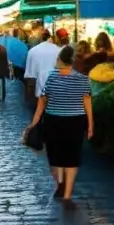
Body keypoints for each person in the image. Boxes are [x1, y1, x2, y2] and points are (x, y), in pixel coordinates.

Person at [28, 45, 93, 204]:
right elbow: (87, 104)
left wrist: (33, 124)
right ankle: (67, 194)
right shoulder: (83, 79)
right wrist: (90, 125)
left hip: (54, 121)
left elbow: (42, 103)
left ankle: (60, 183)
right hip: (76, 122)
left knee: (55, 156)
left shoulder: (51, 77)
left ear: (60, 60)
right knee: (72, 156)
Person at [24, 30, 61, 109]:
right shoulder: (59, 50)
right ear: (50, 37)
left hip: (39, 91)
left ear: (40, 38)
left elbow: (29, 76)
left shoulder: (32, 51)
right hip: (57, 90)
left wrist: (28, 96)